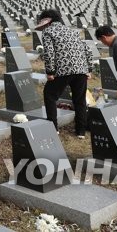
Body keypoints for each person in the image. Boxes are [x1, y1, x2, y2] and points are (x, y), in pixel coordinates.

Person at [36, 8, 95, 137]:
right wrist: (89, 69)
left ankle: (53, 127)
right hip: (81, 70)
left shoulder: (48, 31)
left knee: (50, 95)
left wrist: (50, 72)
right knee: (79, 100)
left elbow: (49, 53)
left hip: (63, 70)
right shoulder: (72, 31)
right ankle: (81, 131)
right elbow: (87, 50)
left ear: (47, 21)